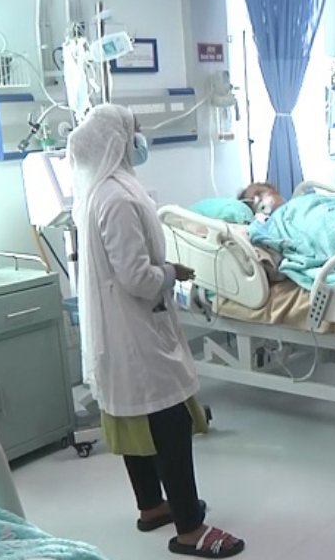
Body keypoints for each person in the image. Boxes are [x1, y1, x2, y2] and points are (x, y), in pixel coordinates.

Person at [68, 104, 245, 558]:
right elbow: (137, 278)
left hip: (124, 328)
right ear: (117, 139)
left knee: (133, 414)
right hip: (136, 331)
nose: (141, 138)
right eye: (136, 130)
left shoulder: (100, 189)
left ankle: (151, 506)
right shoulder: (117, 199)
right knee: (169, 424)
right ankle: (190, 530)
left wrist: (162, 270)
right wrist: (169, 272)